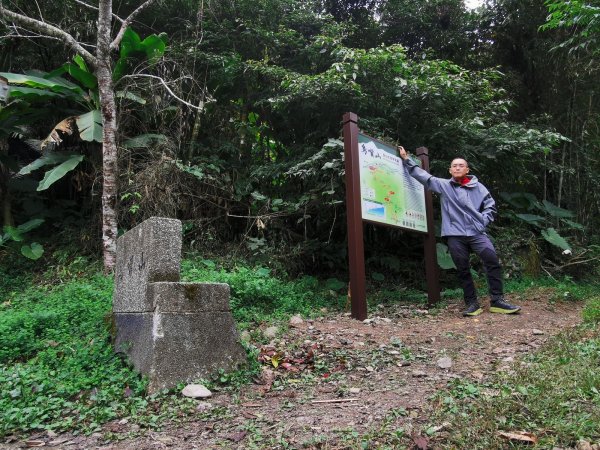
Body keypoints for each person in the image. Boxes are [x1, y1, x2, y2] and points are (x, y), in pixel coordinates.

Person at [397, 146, 521, 317]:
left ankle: (497, 300)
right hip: (455, 234)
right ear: (450, 170)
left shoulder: (479, 187)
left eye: (461, 165)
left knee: (491, 260)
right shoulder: (445, 185)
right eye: (454, 165)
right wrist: (406, 159)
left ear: (467, 169)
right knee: (462, 268)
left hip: (476, 233)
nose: (457, 167)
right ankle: (472, 303)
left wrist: (483, 221)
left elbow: (490, 206)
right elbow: (424, 177)